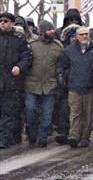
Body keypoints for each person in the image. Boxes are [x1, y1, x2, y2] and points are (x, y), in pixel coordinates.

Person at [24, 20, 63, 147]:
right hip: (32, 84)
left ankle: (43, 137)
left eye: (52, 29)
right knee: (30, 111)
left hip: (50, 86)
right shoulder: (32, 45)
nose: (52, 32)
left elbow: (61, 64)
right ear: (42, 31)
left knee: (47, 115)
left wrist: (60, 76)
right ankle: (32, 132)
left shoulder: (58, 46)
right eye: (48, 30)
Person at [58, 26, 93, 148]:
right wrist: (64, 76)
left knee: (88, 115)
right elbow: (62, 65)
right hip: (74, 87)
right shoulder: (69, 50)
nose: (84, 36)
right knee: (75, 114)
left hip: (91, 87)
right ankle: (73, 136)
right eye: (81, 34)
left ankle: (85, 137)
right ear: (76, 36)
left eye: (86, 34)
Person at [0, 12, 32, 149]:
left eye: (6, 21)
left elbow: (27, 58)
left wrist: (19, 66)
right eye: (0, 21)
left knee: (9, 111)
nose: (2, 23)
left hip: (12, 82)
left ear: (12, 23)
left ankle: (5, 138)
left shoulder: (19, 39)